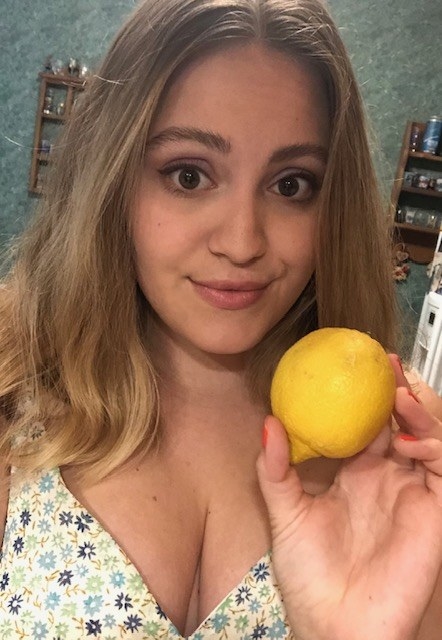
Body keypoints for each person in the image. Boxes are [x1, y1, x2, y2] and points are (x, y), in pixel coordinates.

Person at [1, 0, 442, 637]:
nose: (242, 242)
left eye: (291, 185)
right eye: (188, 174)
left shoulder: (391, 462)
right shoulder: (15, 393)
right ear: (115, 179)